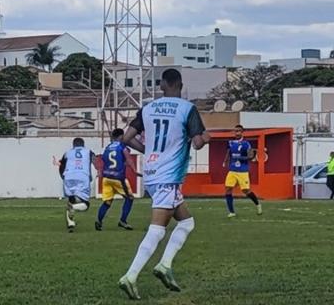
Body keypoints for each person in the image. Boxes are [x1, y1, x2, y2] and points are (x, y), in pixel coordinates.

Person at [118, 68, 210, 300]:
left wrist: (148, 150)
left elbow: (127, 138)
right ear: (180, 84)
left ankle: (165, 265)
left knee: (187, 223)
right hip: (168, 176)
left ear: (161, 86)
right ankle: (130, 275)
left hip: (151, 173)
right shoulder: (187, 109)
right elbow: (198, 143)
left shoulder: (147, 108)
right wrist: (206, 138)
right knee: (157, 229)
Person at [96, 128, 136, 231]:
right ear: (121, 136)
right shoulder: (122, 146)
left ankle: (99, 221)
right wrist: (135, 170)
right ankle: (123, 221)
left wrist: (100, 172)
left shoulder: (108, 147)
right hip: (118, 177)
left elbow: (103, 160)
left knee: (107, 202)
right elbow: (128, 159)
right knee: (130, 198)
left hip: (107, 177)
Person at [223, 124, 262, 217]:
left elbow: (250, 156)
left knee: (246, 190)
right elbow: (229, 152)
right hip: (232, 170)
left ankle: (258, 204)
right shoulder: (231, 142)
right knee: (228, 189)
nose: (237, 133)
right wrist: (225, 161)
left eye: (239, 131)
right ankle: (232, 212)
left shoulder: (246, 144)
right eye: (235, 131)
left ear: (242, 132)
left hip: (242, 171)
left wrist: (241, 157)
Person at [59, 137, 94, 232]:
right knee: (85, 204)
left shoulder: (67, 153)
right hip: (82, 176)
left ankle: (70, 223)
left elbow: (61, 165)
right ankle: (73, 208)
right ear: (83, 144)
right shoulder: (88, 151)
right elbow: (94, 162)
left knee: (71, 200)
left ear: (73, 145)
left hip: (68, 176)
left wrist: (62, 176)